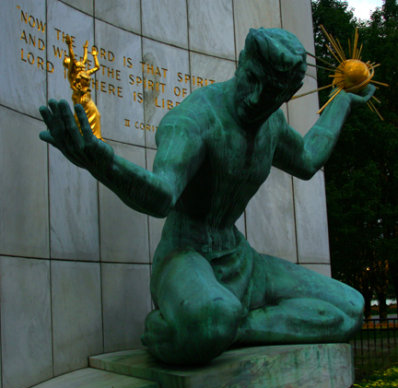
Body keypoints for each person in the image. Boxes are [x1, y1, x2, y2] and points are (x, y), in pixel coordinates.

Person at [39, 28, 374, 366]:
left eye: (272, 93)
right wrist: (106, 166)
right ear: (240, 64)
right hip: (185, 257)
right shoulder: (194, 120)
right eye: (252, 79)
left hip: (243, 261)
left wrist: (342, 99)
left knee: (350, 309)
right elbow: (162, 196)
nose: (256, 98)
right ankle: (213, 322)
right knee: (214, 318)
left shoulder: (271, 125)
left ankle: (224, 327)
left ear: (288, 94)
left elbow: (307, 159)